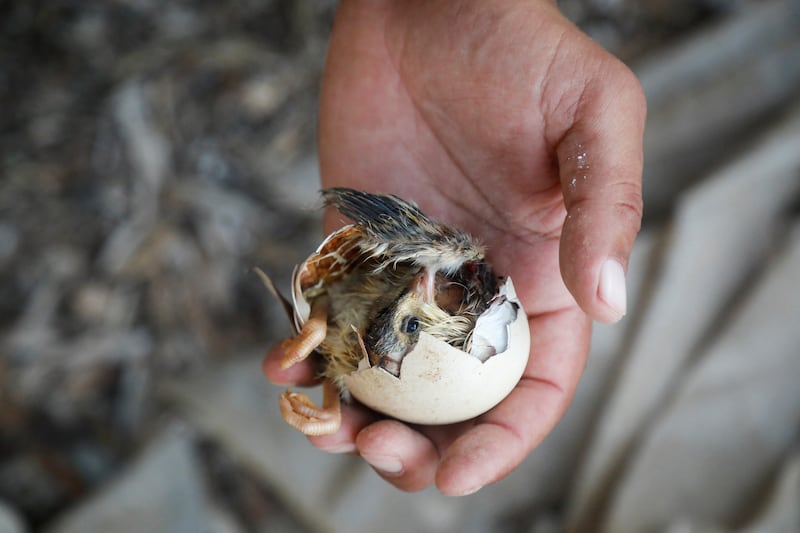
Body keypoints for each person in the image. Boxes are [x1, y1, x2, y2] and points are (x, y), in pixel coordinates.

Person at [263, 0, 645, 496]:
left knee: (343, 365)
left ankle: (334, 404)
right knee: (340, 352)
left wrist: (319, 350)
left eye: (422, 310)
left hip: (367, 338)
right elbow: (339, 325)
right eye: (437, 285)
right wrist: (312, 332)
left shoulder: (393, 323)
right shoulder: (411, 284)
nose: (428, 282)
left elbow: (343, 354)